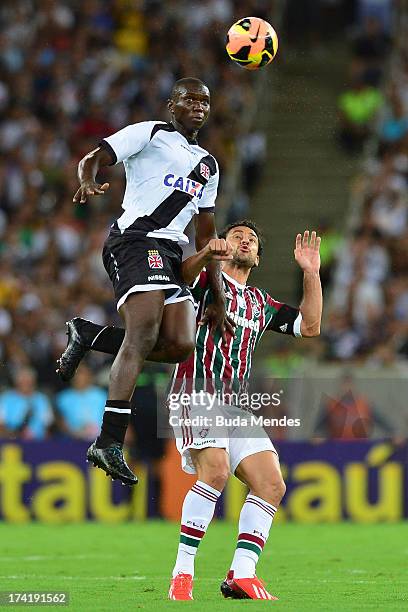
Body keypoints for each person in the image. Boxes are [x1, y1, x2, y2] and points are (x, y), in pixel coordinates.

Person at [55, 220, 322, 600]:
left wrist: (311, 273)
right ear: (221, 246)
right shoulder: (202, 286)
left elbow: (310, 326)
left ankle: (242, 574)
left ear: (258, 257)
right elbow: (179, 275)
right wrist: (204, 256)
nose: (244, 241)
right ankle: (182, 573)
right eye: (236, 237)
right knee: (214, 471)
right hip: (195, 394)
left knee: (272, 484)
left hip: (238, 407)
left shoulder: (261, 303)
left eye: (251, 240)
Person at [62, 77, 233, 485]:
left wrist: (217, 294)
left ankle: (89, 335)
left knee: (178, 344)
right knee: (142, 333)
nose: (199, 106)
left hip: (174, 254)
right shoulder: (150, 133)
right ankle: (108, 440)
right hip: (137, 241)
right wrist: (87, 178)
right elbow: (93, 158)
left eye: (205, 101)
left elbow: (206, 236)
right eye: (189, 99)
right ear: (171, 105)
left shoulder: (209, 165)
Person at [0, 367, 53, 439]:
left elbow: (48, 425)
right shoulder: (6, 398)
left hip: (38, 442)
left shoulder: (41, 399)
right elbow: (1, 424)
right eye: (23, 381)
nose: (26, 384)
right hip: (13, 441)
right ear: (16, 382)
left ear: (34, 382)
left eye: (29, 381)